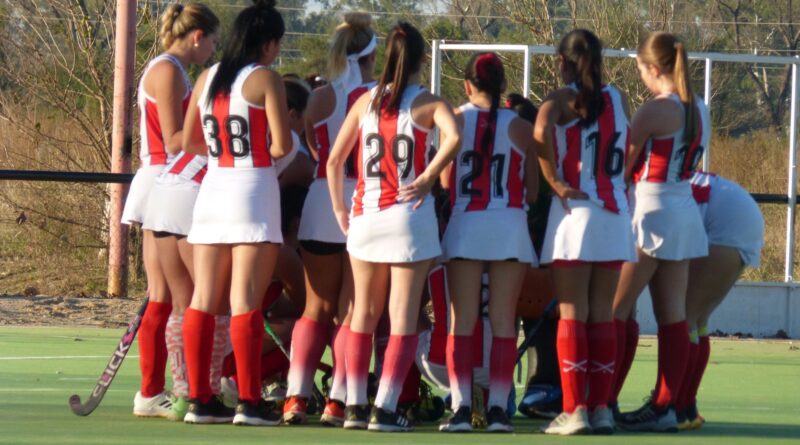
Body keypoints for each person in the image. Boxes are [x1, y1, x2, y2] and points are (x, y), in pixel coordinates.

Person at [326, 21, 461, 432]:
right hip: (408, 216)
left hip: (365, 215)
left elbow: (334, 161)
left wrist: (340, 210)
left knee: (362, 314)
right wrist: (429, 175)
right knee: (402, 317)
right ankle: (384, 408)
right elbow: (455, 136)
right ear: (422, 59)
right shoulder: (428, 102)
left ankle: (353, 404)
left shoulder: (364, 101)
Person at [180, 0, 292, 426]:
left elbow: (188, 141)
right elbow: (281, 146)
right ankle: (249, 400)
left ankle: (199, 399)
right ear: (268, 44)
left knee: (203, 299)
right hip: (253, 189)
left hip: (213, 191)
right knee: (245, 301)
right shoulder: (265, 79)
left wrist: (219, 154)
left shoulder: (207, 77)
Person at [534, 29, 635, 435]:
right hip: (614, 213)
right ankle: (601, 409)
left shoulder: (561, 100)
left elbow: (539, 132)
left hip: (575, 212)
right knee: (602, 312)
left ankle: (574, 410)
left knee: (573, 312)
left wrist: (554, 181)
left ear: (563, 60)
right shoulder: (618, 98)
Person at [611, 31, 710, 433]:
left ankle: (602, 400)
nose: (641, 77)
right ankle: (666, 408)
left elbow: (622, 165)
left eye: (641, 70)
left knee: (614, 310)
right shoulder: (700, 107)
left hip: (649, 212)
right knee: (674, 317)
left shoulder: (654, 110)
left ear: (654, 68)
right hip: (683, 211)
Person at [125, 2, 219, 419]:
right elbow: (174, 138)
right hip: (164, 178)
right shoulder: (167, 70)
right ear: (197, 36)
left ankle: (168, 387)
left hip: (173, 179)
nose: (214, 49)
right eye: (213, 40)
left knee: (167, 294)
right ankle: (152, 390)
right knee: (164, 294)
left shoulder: (176, 70)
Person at [283, 12, 378, 427]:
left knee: (315, 308)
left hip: (322, 201)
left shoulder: (319, 97)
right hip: (364, 203)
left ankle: (295, 396)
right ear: (371, 56)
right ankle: (337, 400)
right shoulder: (377, 96)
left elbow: (314, 147)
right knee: (351, 311)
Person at [437, 52, 538, 433]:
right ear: (503, 86)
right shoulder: (521, 127)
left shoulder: (454, 120)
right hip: (510, 227)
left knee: (462, 322)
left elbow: (445, 182)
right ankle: (497, 409)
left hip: (466, 226)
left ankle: (461, 408)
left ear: (467, 86)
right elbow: (532, 191)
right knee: (503, 322)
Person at [676, 172, 764, 429]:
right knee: (698, 319)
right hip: (740, 213)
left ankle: (673, 407)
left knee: (683, 316)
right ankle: (686, 407)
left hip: (724, 222)